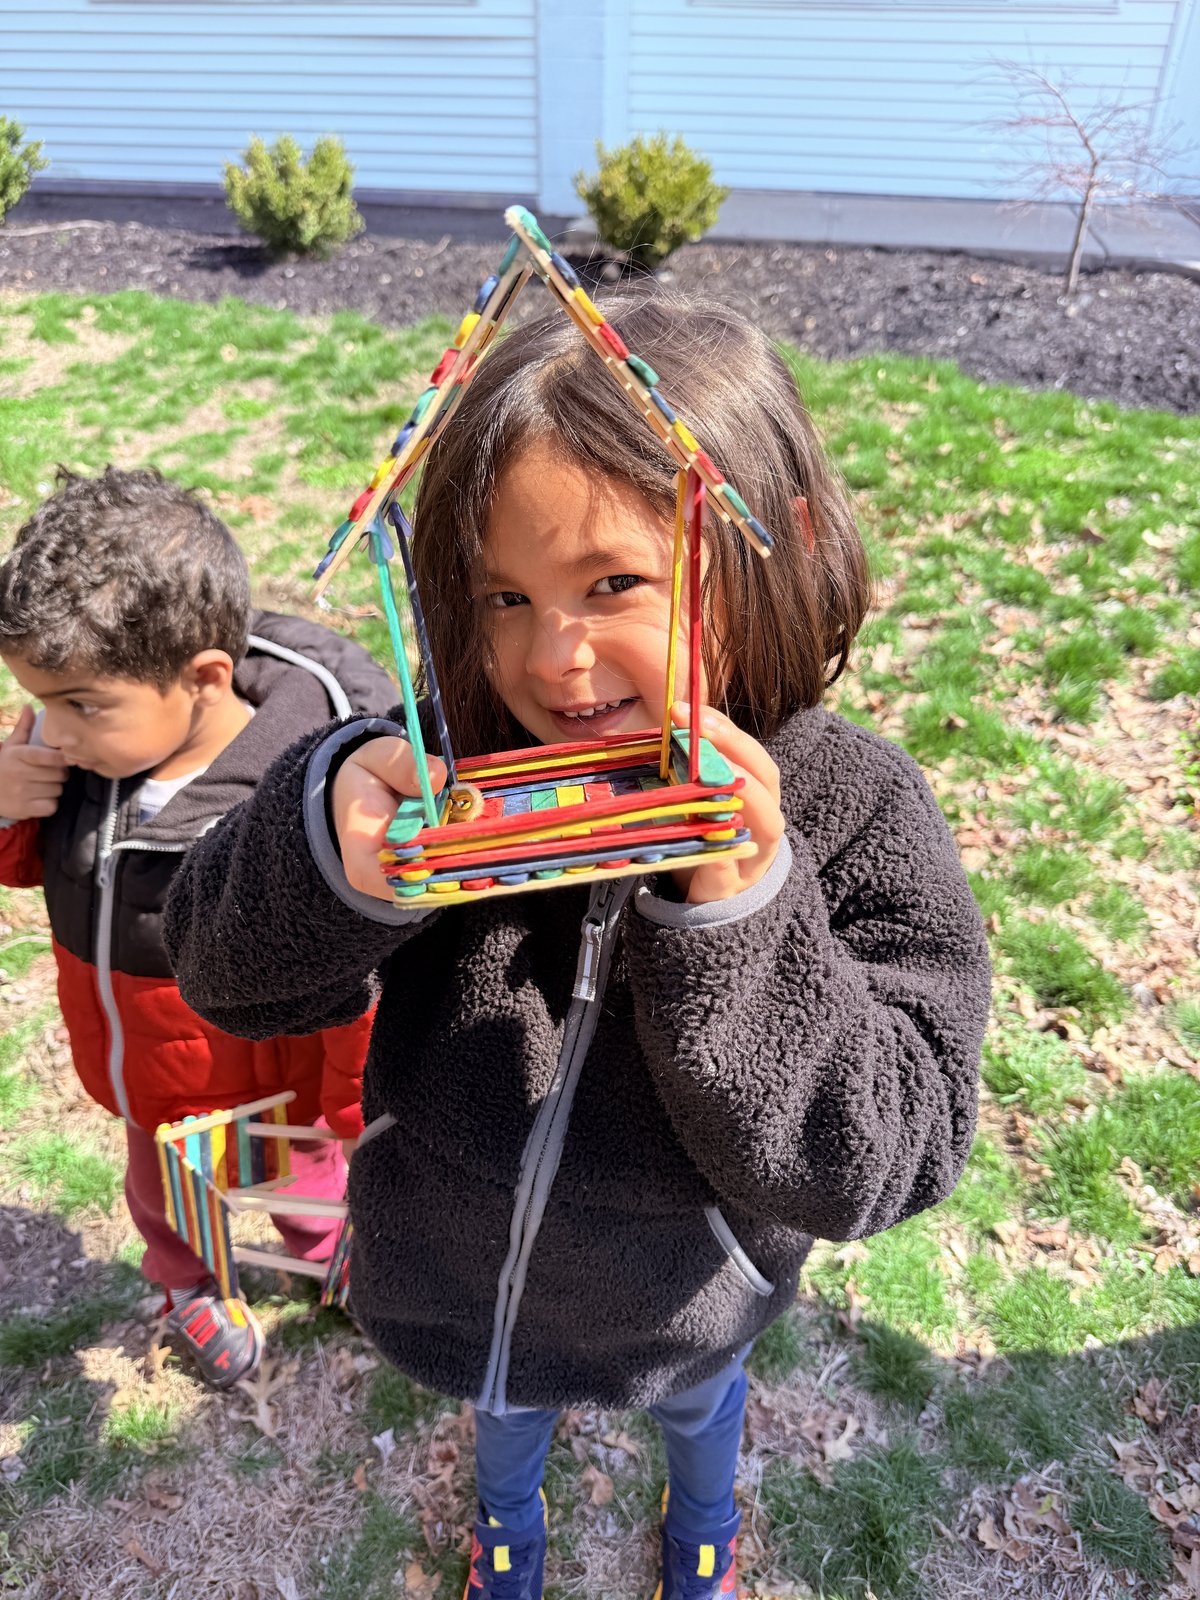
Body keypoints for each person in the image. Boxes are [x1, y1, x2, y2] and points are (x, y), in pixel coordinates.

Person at [164, 293, 991, 1599]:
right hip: (465, 1299)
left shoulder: (854, 814)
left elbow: (887, 1155)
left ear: (778, 546)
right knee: (506, 1429)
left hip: (687, 1310)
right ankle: (509, 1529)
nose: (555, 657)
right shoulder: (445, 766)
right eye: (504, 595)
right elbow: (220, 972)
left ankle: (702, 1522)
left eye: (613, 584)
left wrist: (741, 913)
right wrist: (327, 844)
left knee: (698, 1418)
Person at [0, 466, 395, 1390]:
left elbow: (358, 962)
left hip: (276, 1069)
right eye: (40, 703)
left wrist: (350, 1097)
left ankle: (322, 1250)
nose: (50, 733)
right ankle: (191, 1285)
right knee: (170, 1197)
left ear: (206, 677)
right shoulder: (80, 743)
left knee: (297, 1177)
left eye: (78, 706)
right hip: (150, 1069)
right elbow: (23, 863)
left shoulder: (311, 794)